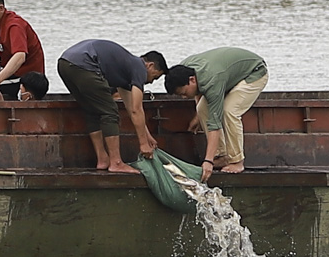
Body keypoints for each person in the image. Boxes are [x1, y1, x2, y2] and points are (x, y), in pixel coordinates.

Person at [57, 40, 168, 173]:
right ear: (150, 65)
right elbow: (137, 109)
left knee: (92, 110)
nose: (150, 82)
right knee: (110, 113)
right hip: (85, 64)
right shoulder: (139, 67)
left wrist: (147, 136)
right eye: (155, 77)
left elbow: (131, 108)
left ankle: (103, 159)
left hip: (65, 63)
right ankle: (116, 163)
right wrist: (143, 144)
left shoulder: (125, 70)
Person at [165, 48, 269, 178]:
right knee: (202, 108)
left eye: (184, 94)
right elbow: (199, 92)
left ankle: (237, 161)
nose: (184, 98)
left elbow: (215, 124)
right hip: (227, 76)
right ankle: (221, 156)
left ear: (191, 80)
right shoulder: (183, 69)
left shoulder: (212, 80)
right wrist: (198, 116)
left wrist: (208, 161)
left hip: (254, 72)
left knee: (229, 111)